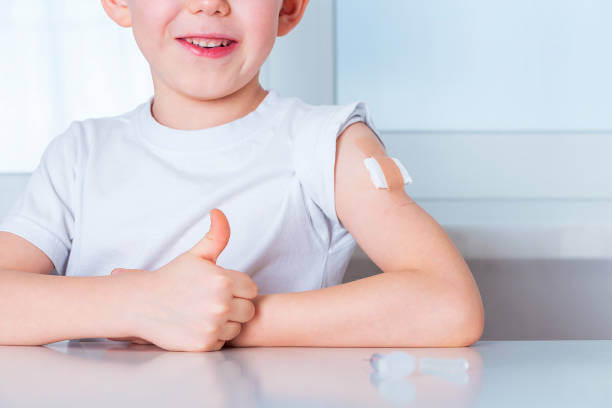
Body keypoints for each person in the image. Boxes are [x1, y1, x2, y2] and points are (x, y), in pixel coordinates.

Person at [0, 0, 484, 351]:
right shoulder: (79, 154)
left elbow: (447, 304)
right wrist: (136, 304)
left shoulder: (329, 144)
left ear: (289, 7)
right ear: (119, 2)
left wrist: (228, 320)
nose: (209, 5)